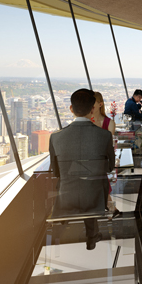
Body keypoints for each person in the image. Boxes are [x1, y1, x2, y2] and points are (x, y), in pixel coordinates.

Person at [49, 88, 115, 250]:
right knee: (89, 188)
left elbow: (56, 172)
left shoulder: (56, 137)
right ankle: (91, 237)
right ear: (93, 108)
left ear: (71, 109)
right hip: (95, 198)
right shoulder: (104, 136)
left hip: (66, 197)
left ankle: (60, 238)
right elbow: (109, 167)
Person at [91, 91, 120, 218]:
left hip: (99, 162)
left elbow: (108, 147)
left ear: (100, 104)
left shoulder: (109, 123)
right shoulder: (86, 122)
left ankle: (108, 207)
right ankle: (110, 207)